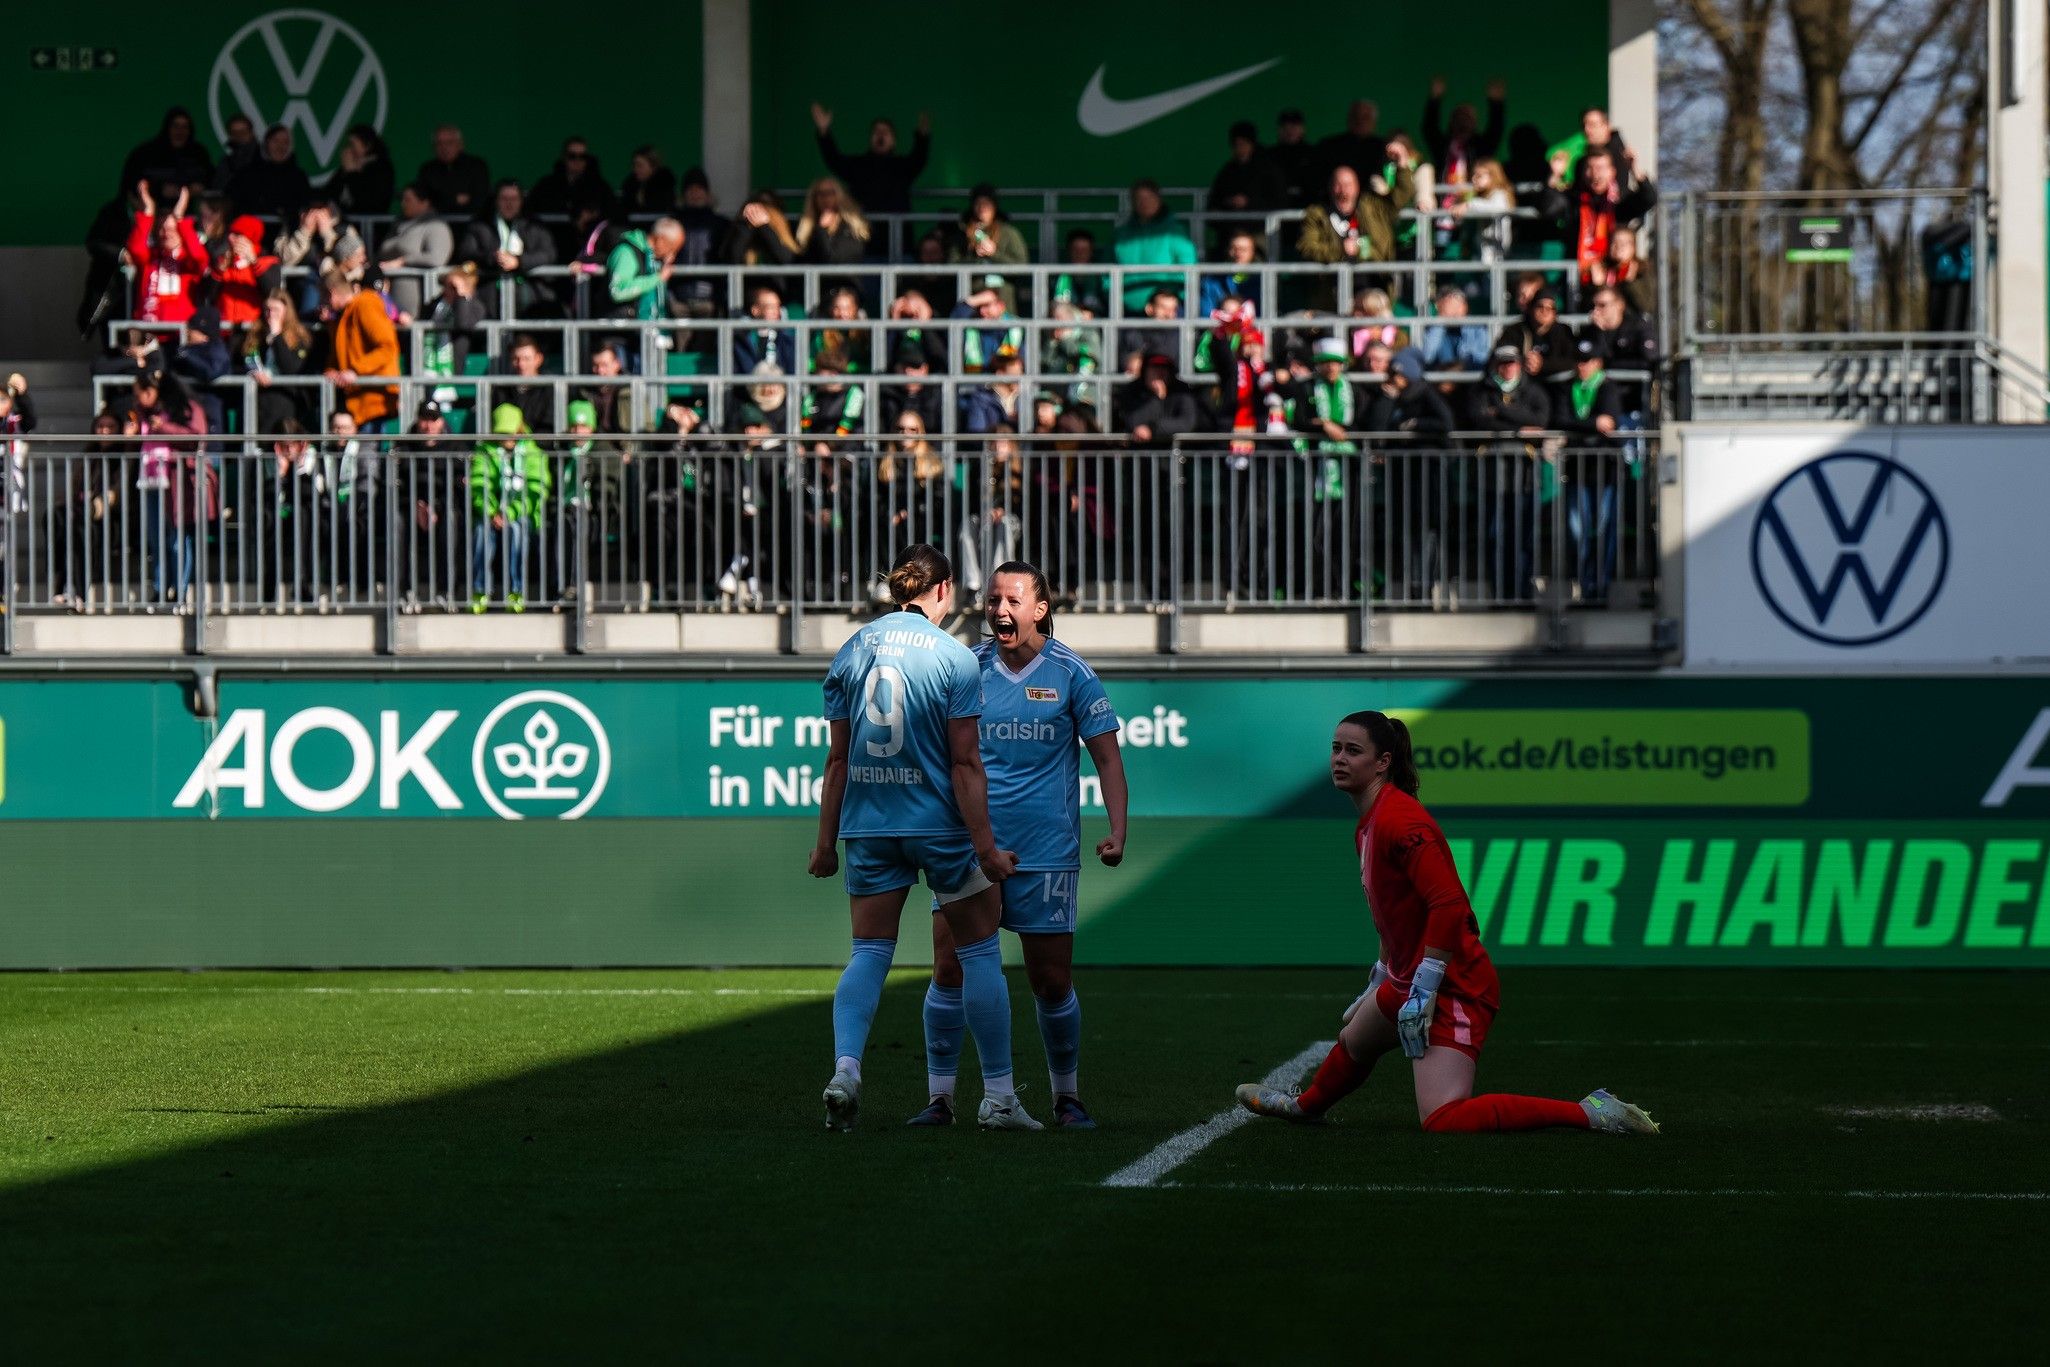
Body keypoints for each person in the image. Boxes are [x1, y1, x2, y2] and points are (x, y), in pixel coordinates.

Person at [1237, 710, 1661, 1136]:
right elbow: (1393, 910)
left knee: (1443, 1119)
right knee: (1354, 1041)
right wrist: (1382, 974)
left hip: (1456, 985)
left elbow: (1449, 904)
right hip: (1411, 979)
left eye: (1353, 750)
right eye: (1335, 749)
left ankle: (1593, 1111)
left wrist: (1427, 985)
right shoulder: (1370, 822)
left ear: (1383, 762)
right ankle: (1305, 1107)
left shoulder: (1400, 819)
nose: (1339, 759)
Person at [807, 543, 1033, 1131]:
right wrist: (985, 846)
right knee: (980, 951)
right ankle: (1000, 1099)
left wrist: (825, 842)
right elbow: (965, 764)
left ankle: (847, 1069)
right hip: (940, 828)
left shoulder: (852, 650)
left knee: (869, 953)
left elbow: (836, 760)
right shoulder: (954, 658)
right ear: (942, 589)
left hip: (870, 826)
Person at [910, 562, 1127, 1129]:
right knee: (948, 968)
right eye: (992, 599)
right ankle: (940, 1098)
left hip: (1046, 850)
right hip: (967, 848)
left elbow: (1107, 756)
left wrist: (1117, 830)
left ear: (1040, 608)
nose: (999, 610)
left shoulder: (1072, 673)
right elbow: (942, 756)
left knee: (1051, 981)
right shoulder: (965, 668)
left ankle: (1067, 1097)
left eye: (1013, 599)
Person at [812, 104, 930, 254]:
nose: (880, 135)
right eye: (876, 131)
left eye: (885, 132)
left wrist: (923, 135)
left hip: (898, 243)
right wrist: (824, 131)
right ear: (870, 138)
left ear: (893, 140)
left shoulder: (903, 167)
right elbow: (834, 160)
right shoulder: (858, 166)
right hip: (863, 242)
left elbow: (919, 158)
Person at [470, 403, 549, 613]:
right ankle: (480, 590)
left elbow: (536, 491)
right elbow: (479, 487)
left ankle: (516, 590)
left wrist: (510, 513)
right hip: (491, 514)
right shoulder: (484, 452)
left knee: (517, 530)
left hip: (522, 514)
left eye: (510, 432)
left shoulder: (533, 453)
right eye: (501, 433)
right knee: (481, 531)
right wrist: (491, 512)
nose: (507, 437)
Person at [460, 179, 557, 317]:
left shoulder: (535, 225)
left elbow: (549, 254)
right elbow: (466, 252)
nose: (509, 204)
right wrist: (493, 258)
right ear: (496, 201)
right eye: (504, 199)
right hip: (489, 294)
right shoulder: (480, 225)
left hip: (530, 293)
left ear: (521, 201)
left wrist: (518, 261)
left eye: (514, 199)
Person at [1112, 179, 1198, 315]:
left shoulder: (1176, 233)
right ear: (1132, 202)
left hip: (1165, 314)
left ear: (1158, 199)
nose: (1144, 202)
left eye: (1149, 198)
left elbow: (1188, 270)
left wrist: (1170, 299)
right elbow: (1107, 273)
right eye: (1139, 198)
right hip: (1126, 312)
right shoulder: (1120, 235)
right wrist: (1114, 298)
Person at [126, 181, 207, 324]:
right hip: (150, 332)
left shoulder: (187, 260)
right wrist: (148, 212)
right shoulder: (151, 257)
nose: (166, 234)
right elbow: (136, 250)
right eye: (162, 229)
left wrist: (180, 218)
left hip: (182, 334)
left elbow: (199, 257)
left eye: (171, 229)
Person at [1207, 121, 1286, 251]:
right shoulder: (1227, 172)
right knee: (1236, 271)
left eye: (1243, 144)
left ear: (1252, 144)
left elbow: (1279, 203)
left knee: (1259, 269)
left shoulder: (1269, 170)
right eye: (1236, 145)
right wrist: (1228, 203)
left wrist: (1249, 203)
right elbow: (1213, 206)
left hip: (1259, 233)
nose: (1239, 148)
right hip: (1231, 235)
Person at [242, 289, 313, 431]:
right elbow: (242, 362)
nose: (270, 315)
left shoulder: (299, 337)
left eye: (275, 310)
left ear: (287, 311)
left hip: (286, 400)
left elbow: (290, 368)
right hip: (259, 400)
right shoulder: (255, 336)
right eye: (267, 310)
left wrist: (277, 337)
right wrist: (253, 373)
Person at [378, 183, 454, 315]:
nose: (403, 203)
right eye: (402, 199)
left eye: (408, 199)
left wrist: (402, 261)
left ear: (424, 202)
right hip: (386, 295)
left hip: (414, 299)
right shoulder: (399, 223)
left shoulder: (436, 226)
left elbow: (436, 258)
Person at [1421, 76, 1506, 189]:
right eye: (1460, 116)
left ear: (1475, 122)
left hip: (1473, 201)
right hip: (1444, 200)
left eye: (1468, 117)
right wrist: (1435, 99)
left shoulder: (1480, 146)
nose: (1463, 120)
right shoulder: (1443, 145)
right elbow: (1429, 128)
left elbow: (1495, 130)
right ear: (1452, 120)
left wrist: (1496, 103)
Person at [209, 215, 281, 331]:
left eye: (238, 234)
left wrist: (254, 262)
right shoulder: (222, 261)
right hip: (224, 330)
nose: (231, 238)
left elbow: (273, 292)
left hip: (254, 330)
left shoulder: (268, 261)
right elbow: (209, 295)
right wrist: (219, 271)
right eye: (230, 233)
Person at [120, 107, 212, 195]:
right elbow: (131, 184)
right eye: (175, 126)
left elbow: (211, 180)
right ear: (167, 128)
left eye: (185, 127)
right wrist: (158, 190)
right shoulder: (146, 153)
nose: (180, 132)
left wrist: (198, 188)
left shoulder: (199, 154)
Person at [227, 125, 313, 219]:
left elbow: (304, 207)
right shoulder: (247, 174)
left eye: (285, 142)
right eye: (275, 141)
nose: (280, 146)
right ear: (266, 143)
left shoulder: (299, 177)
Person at [606, 217, 683, 322]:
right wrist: (657, 278)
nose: (672, 256)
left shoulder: (652, 258)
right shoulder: (626, 252)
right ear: (661, 240)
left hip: (638, 329)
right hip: (619, 330)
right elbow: (618, 290)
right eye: (672, 249)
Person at [414, 125, 491, 218]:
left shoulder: (477, 166)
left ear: (460, 144)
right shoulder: (427, 169)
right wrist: (455, 199)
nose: (444, 147)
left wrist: (442, 199)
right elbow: (424, 202)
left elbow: (480, 200)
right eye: (439, 143)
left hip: (469, 224)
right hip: (435, 223)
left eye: (449, 142)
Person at [322, 124, 394, 216]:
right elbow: (328, 192)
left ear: (367, 146)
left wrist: (352, 173)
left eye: (352, 144)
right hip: (342, 222)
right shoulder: (346, 168)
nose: (349, 149)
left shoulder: (381, 168)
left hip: (369, 225)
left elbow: (368, 200)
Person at [1417, 284, 1490, 372]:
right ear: (1439, 306)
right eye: (1450, 304)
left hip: (1468, 377)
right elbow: (1427, 356)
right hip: (1440, 379)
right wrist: (1441, 321)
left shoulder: (1477, 327)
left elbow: (1480, 359)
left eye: (1459, 304)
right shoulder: (1431, 328)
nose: (1455, 309)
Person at [1266, 108, 1318, 209]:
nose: (1289, 130)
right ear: (1279, 130)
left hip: (1307, 210)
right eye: (1285, 127)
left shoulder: (1313, 154)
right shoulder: (1270, 155)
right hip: (1276, 211)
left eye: (1294, 126)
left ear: (1302, 128)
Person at [618, 145, 677, 213]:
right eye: (634, 165)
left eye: (639, 165)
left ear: (653, 166)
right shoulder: (629, 185)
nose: (635, 169)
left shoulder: (665, 185)